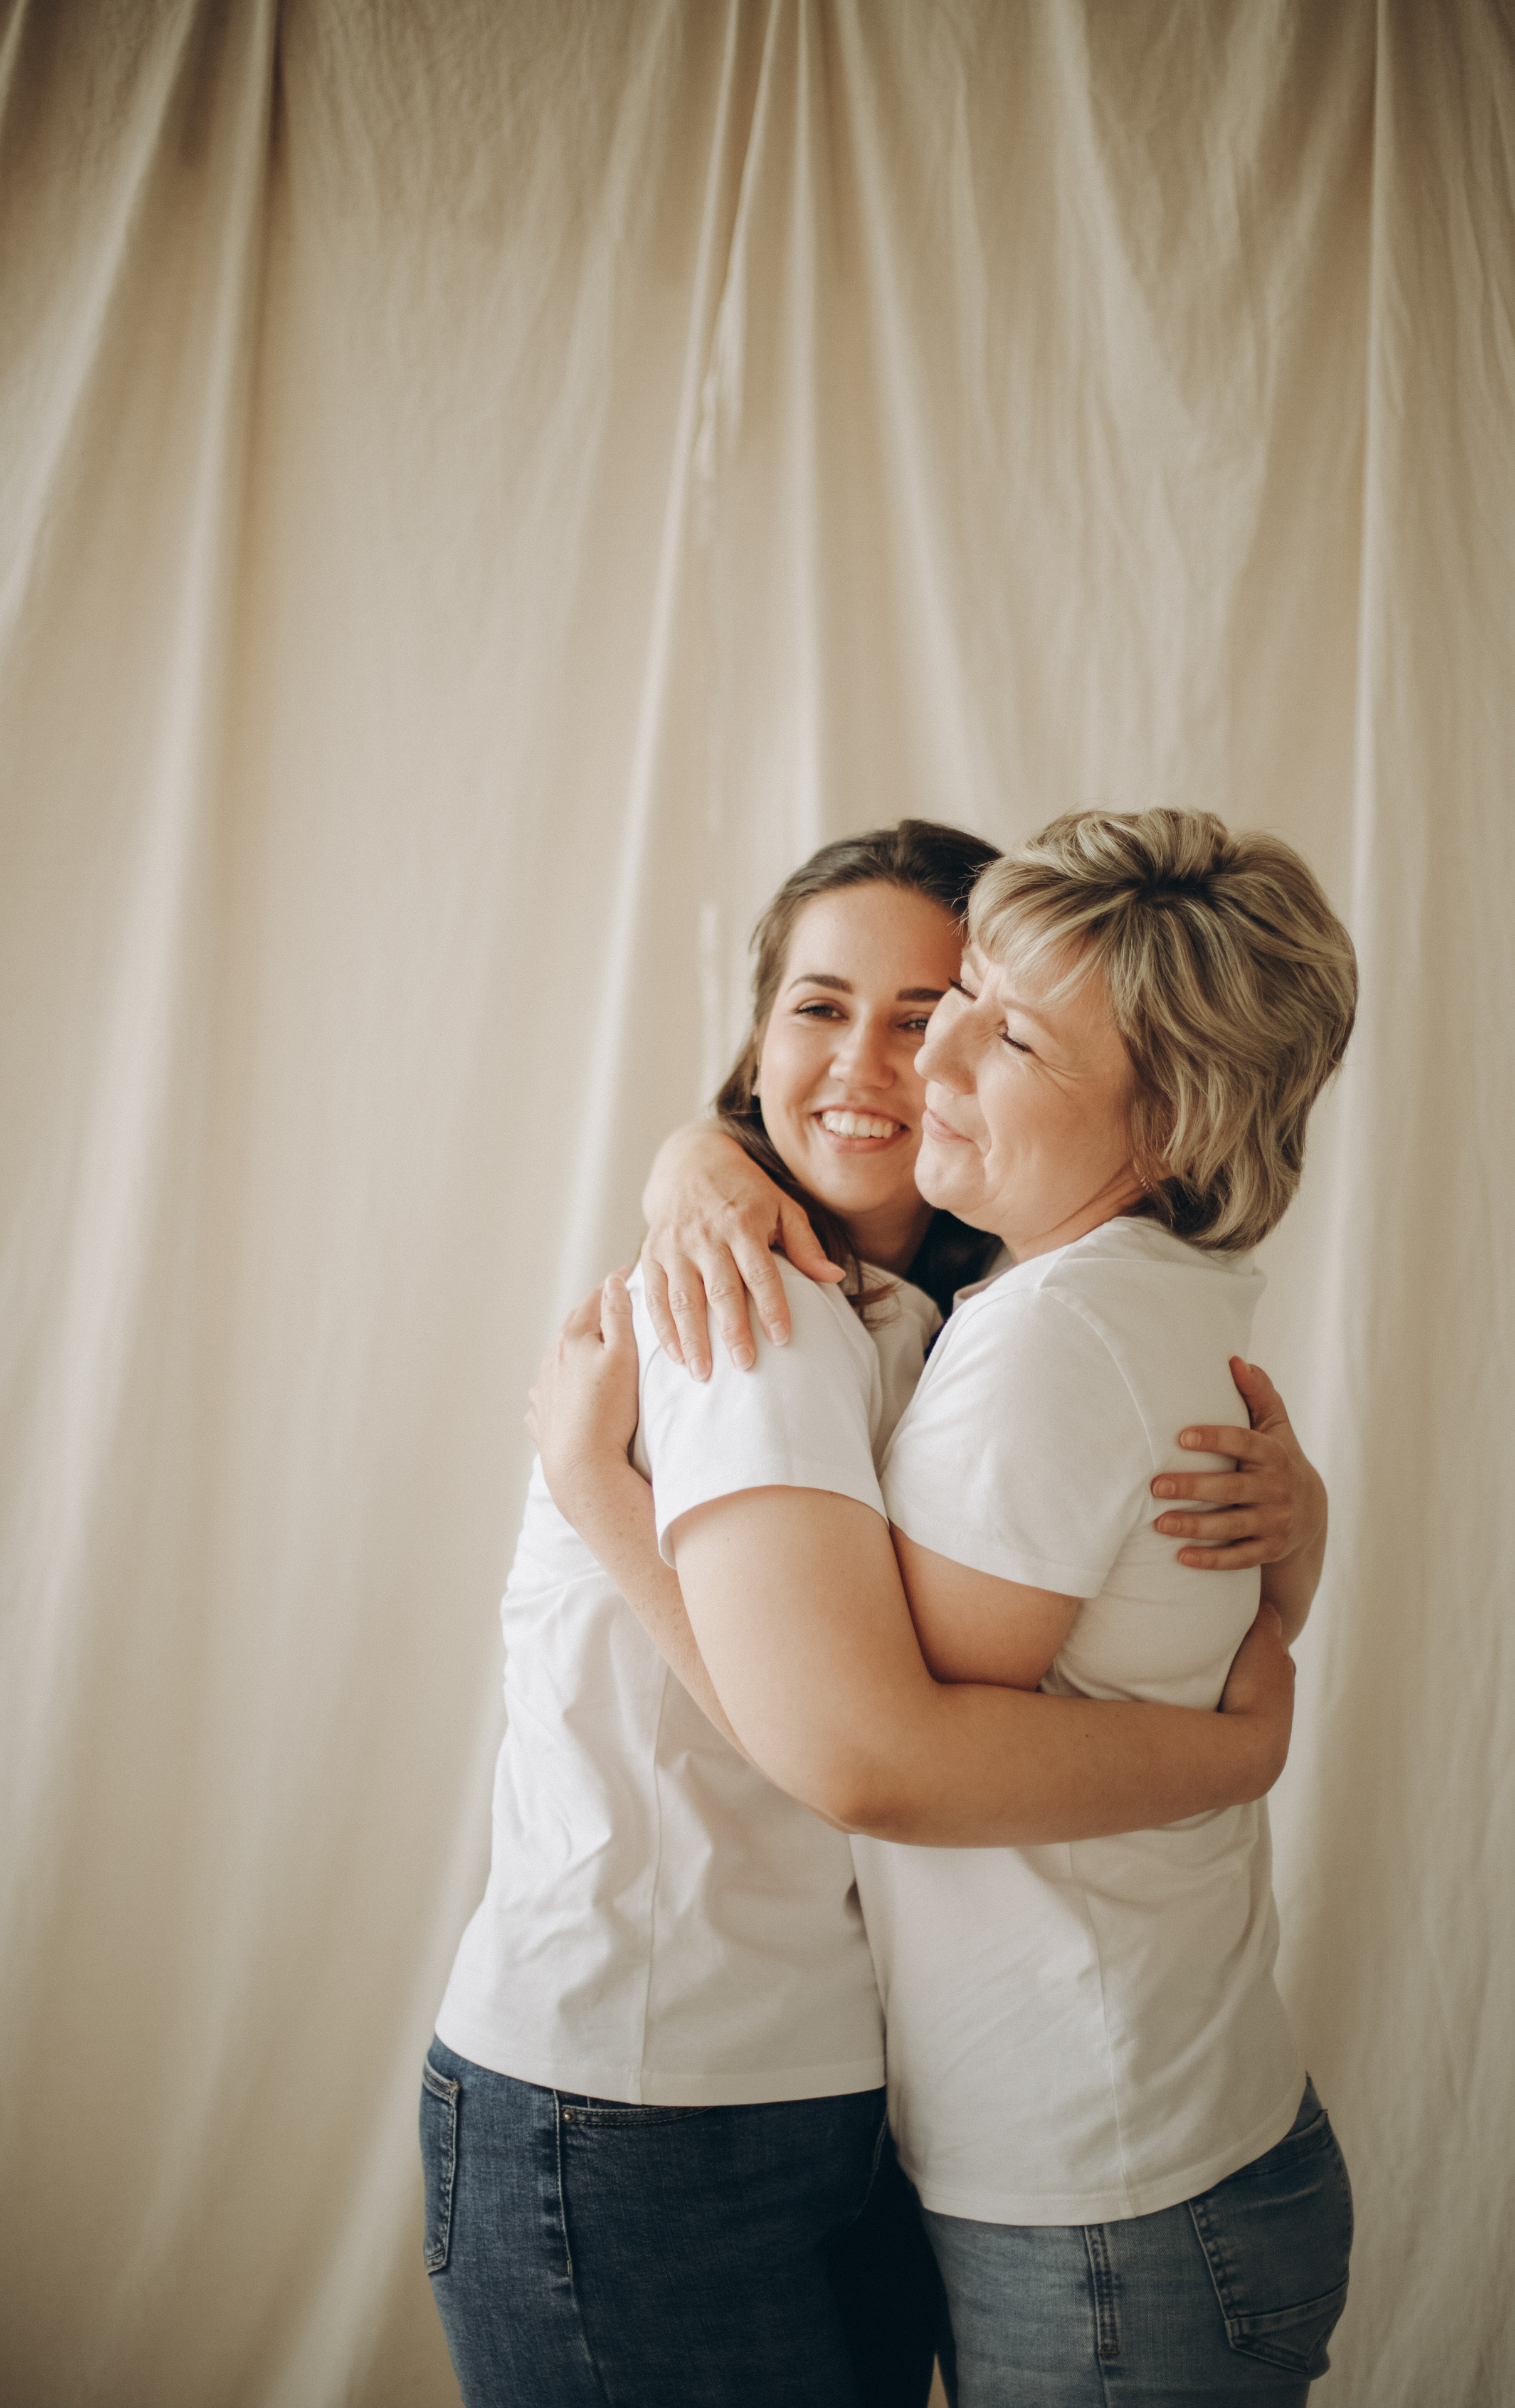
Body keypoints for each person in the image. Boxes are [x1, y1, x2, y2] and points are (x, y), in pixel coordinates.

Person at [428, 820, 1313, 2408]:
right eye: (816, 1010)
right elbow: (858, 1751)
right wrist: (597, 1484)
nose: (888, 1060)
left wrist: (1286, 1537)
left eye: (942, 1009)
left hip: (833, 2088)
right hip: (640, 2079)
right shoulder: (744, 1301)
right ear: (751, 1044)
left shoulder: (955, 1319)